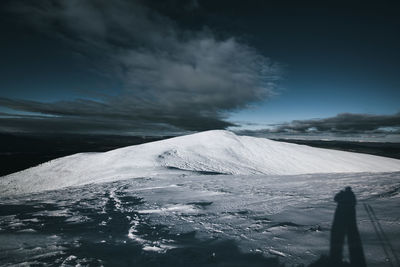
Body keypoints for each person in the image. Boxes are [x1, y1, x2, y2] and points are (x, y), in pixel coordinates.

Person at [330, 187, 366, 267]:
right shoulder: (351, 195)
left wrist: (341, 195)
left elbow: (336, 199)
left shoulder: (346, 195)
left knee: (345, 234)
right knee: (351, 232)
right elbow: (336, 199)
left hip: (342, 216)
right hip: (348, 216)